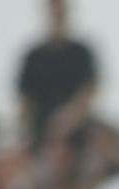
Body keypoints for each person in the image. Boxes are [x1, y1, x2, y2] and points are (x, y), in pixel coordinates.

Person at [16, 0, 100, 147]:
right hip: (41, 137)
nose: (57, 16)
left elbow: (89, 92)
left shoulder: (81, 53)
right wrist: (24, 134)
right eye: (54, 11)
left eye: (60, 11)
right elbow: (24, 102)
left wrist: (69, 118)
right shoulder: (33, 56)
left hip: (78, 137)